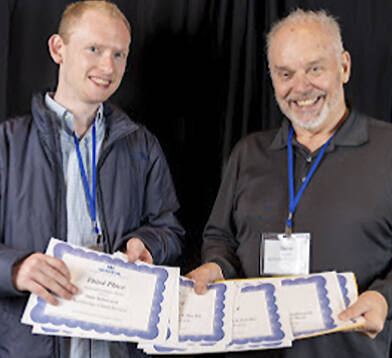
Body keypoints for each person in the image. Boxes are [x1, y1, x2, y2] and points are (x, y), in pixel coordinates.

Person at [187, 8, 391, 358]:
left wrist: (384, 298)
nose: (300, 87)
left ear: (343, 67)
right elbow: (220, 237)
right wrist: (216, 266)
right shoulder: (248, 153)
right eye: (286, 73)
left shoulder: (388, 148)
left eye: (314, 68)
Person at [0, 1, 184, 357]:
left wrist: (147, 245)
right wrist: (15, 268)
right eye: (94, 49)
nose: (108, 66)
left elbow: (170, 229)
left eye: (119, 54)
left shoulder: (141, 145)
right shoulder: (7, 145)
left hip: (115, 347)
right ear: (59, 49)